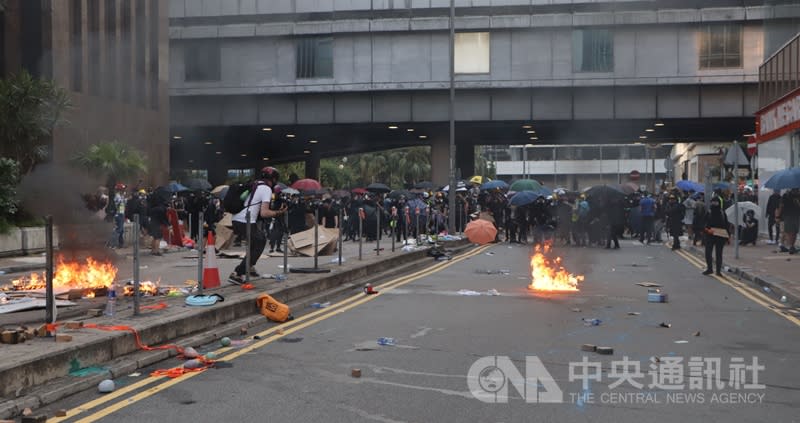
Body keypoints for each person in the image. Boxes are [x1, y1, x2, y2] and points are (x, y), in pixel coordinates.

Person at [228, 167, 287, 285]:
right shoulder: (266, 189)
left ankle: (249, 267)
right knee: (260, 241)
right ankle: (238, 273)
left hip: (237, 218)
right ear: (274, 179)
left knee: (256, 242)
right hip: (246, 220)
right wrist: (279, 212)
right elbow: (264, 213)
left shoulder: (254, 184)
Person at [703, 196, 730, 276]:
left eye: (716, 202)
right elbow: (703, 224)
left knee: (719, 254)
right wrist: (707, 230)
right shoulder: (708, 212)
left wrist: (728, 237)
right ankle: (709, 269)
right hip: (709, 235)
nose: (714, 204)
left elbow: (726, 225)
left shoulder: (722, 213)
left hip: (720, 236)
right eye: (713, 202)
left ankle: (718, 271)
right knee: (708, 252)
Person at [778, 188, 800, 254]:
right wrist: (778, 216)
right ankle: (791, 246)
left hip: (797, 215)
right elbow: (781, 206)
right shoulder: (785, 196)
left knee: (795, 232)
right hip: (788, 216)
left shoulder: (798, 196)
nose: (797, 190)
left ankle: (792, 246)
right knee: (790, 232)